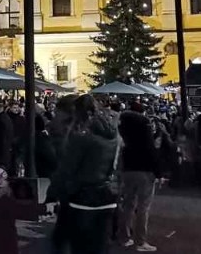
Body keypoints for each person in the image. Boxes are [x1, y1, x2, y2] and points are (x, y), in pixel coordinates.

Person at [48, 94, 120, 254]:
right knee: (98, 246)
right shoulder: (112, 134)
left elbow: (67, 170)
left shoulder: (81, 138)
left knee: (73, 245)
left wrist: (53, 193)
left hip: (82, 199)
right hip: (106, 197)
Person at [116, 101, 159, 252]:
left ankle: (124, 237)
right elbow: (150, 148)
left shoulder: (124, 126)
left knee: (128, 204)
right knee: (143, 206)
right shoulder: (144, 124)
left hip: (128, 168)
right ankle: (140, 241)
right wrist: (158, 170)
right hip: (145, 168)